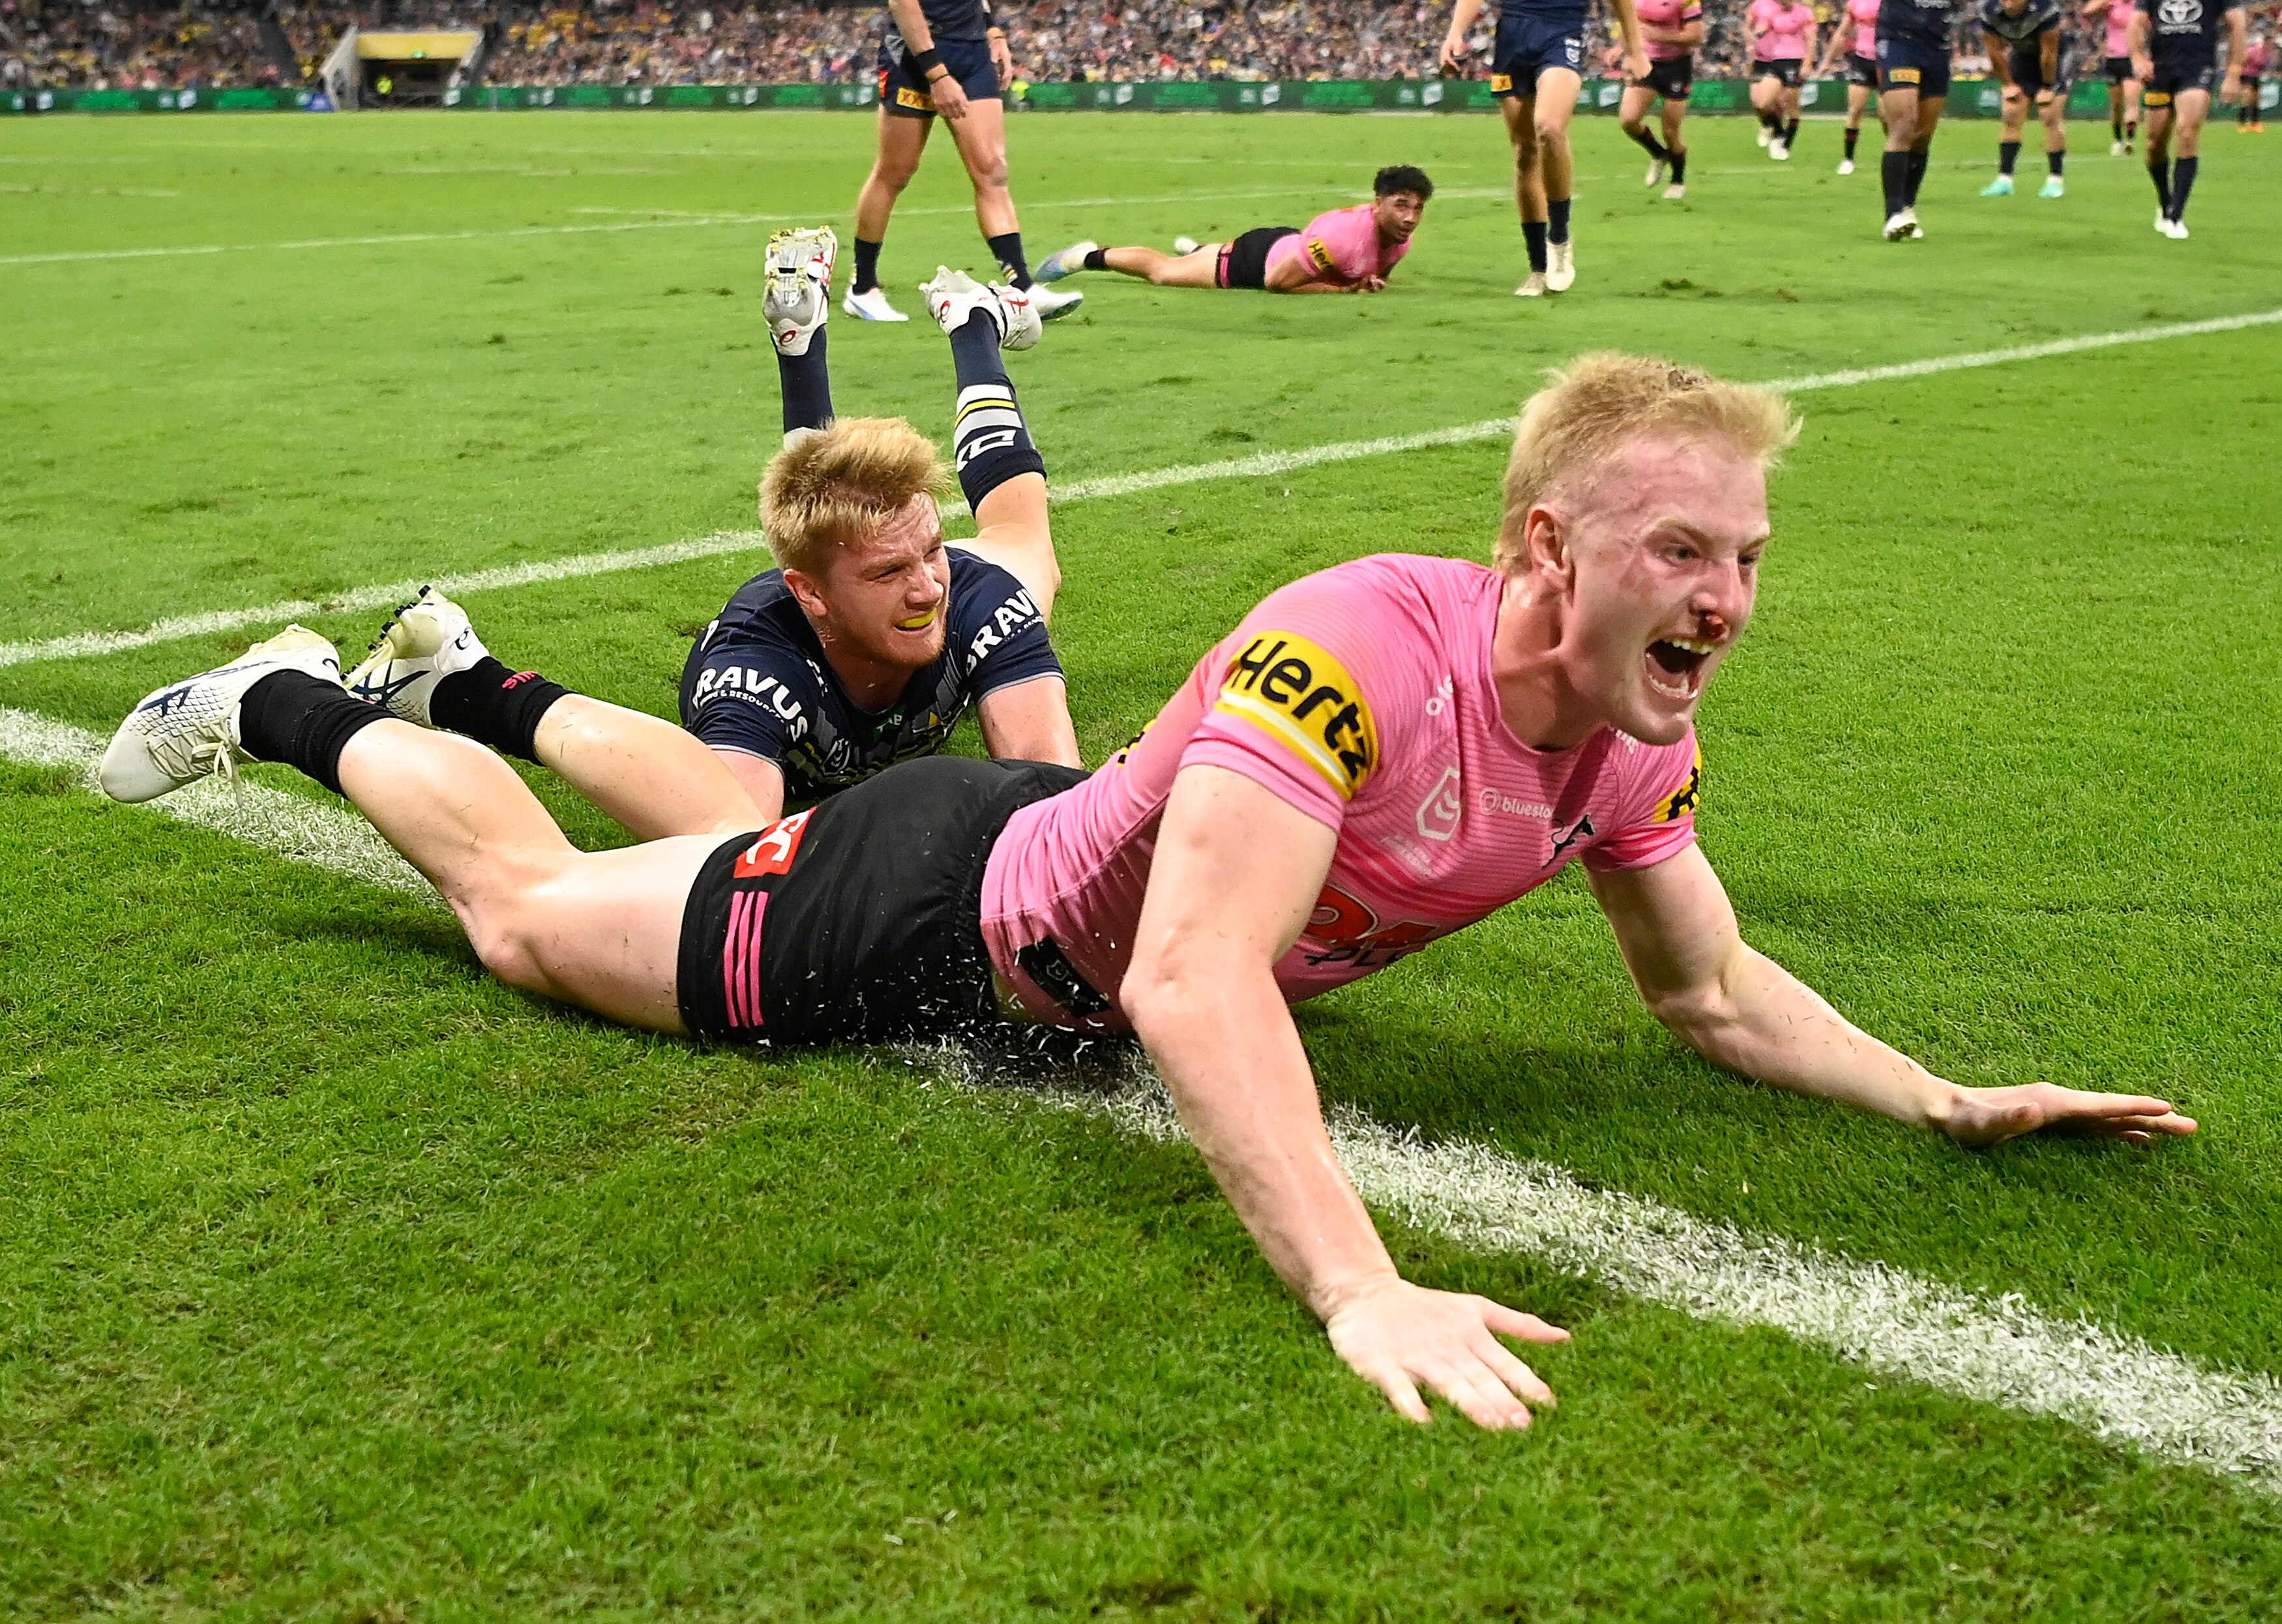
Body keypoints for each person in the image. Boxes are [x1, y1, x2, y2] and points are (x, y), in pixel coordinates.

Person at [101, 353, 2199, 1433]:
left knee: (664, 839)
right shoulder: (1352, 644)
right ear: (1545, 548)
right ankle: (288, 698)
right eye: (1681, 552)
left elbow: (1710, 989)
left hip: (984, 876)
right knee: (522, 917)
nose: (1725, 597)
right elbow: (1194, 977)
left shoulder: (1632, 736)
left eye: (1742, 555)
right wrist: (1354, 1284)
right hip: (926, 917)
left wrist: (1932, 1094)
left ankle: (458, 678)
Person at [347, 245, 1081, 831]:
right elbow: (733, 858)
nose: (927, 586)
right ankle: (462, 678)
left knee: (1017, 537)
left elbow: (1059, 808)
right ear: (807, 598)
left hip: (853, 596)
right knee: (839, 541)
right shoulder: (757, 666)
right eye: (893, 572)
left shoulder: (975, 597)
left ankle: (970, 324)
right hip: (796, 639)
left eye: (930, 552)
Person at [840, 0, 1079, 324]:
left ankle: (1022, 288)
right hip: (915, 53)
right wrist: (938, 76)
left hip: (972, 51)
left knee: (993, 170)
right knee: (895, 172)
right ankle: (863, 288)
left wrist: (993, 33)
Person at [1442, 0, 1649, 296]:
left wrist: (1636, 51)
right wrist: (1455, 33)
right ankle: (1539, 269)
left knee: (1550, 128)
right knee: (1525, 154)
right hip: (1513, 35)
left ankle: (1560, 240)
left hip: (1562, 31)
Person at [1033, 167, 1432, 295]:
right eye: (1400, 205)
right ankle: (1087, 256)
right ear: (1376, 203)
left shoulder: (1400, 238)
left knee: (1200, 257)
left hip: (1286, 242)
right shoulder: (1344, 238)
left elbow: (1372, 274)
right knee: (1164, 272)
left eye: (1417, 208)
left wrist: (1367, 284)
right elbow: (1278, 283)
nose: (1411, 217)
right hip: (1258, 262)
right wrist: (1344, 291)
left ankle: (1203, 248)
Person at [2131, 0, 2247, 237]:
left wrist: (2234, 72)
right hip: (2160, 70)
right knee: (2154, 144)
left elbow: (2238, 23)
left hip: (2197, 68)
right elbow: (2136, 22)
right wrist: (2137, 58)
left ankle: (2176, 216)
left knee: (2187, 130)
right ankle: (2165, 202)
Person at [1873, 0, 1963, 239]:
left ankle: (1907, 206)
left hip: (1937, 47)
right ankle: (1893, 213)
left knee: (1923, 136)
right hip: (1899, 42)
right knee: (1904, 126)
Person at [1978, 0, 2070, 196]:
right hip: (2022, 59)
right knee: (2012, 113)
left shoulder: (2046, 10)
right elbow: (1994, 51)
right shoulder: (1990, 10)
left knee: (2049, 115)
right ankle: (2005, 179)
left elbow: (2049, 54)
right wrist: (2008, 84)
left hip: (2055, 60)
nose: (2008, 4)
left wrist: (2047, 87)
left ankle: (2056, 180)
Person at [1613, 0, 1704, 199]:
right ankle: (1659, 154)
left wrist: (1659, 36)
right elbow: (1630, 22)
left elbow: (1696, 35)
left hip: (1676, 67)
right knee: (1629, 120)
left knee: (1671, 132)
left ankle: (1678, 179)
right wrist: (1621, 50)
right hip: (1646, 62)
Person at [1815, 0, 1885, 173]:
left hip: (1886, 62)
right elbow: (1842, 33)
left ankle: (1899, 155)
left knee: (1887, 117)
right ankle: (1848, 159)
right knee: (1855, 111)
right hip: (1862, 61)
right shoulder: (1856, 3)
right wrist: (1827, 61)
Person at [1747, 0, 1818, 159]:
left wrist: (1807, 64)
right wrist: (1758, 33)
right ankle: (1779, 132)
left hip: (1796, 61)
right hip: (1777, 60)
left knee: (1792, 106)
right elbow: (1761, 30)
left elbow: (1811, 40)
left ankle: (1786, 144)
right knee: (1763, 103)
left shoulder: (1804, 13)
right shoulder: (1773, 13)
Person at [2083, 0, 2141, 151]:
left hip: (2133, 57)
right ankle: (2118, 139)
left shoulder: (2139, 4)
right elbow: (2087, 11)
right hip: (2113, 58)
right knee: (2116, 106)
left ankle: (2130, 139)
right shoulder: (2113, 3)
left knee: (2131, 100)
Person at [2239, 31, 2271, 128]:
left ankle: (2255, 123)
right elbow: (2243, 60)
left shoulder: (2268, 54)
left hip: (2256, 76)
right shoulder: (2254, 50)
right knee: (2247, 98)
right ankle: (2243, 123)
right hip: (2247, 75)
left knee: (2256, 99)